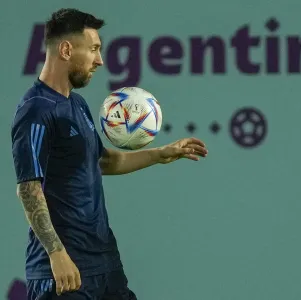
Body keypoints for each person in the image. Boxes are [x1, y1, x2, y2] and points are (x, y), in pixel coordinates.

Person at [11, 8, 208, 300]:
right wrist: (57, 254)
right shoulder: (36, 110)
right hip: (65, 274)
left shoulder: (77, 104)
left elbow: (103, 161)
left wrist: (162, 153)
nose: (100, 60)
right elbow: (29, 188)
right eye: (93, 49)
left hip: (104, 264)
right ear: (66, 49)